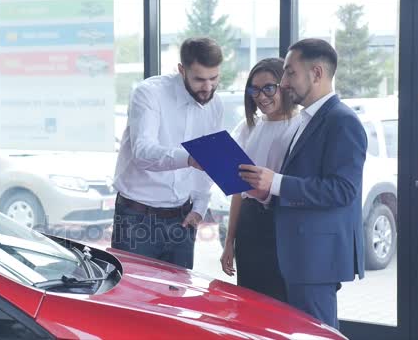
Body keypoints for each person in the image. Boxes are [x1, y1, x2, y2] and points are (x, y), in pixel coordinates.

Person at [238, 38, 366, 329]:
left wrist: (277, 183)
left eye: (290, 73)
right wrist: (267, 192)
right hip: (296, 254)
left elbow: (344, 190)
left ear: (317, 73)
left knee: (314, 333)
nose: (283, 82)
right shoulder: (309, 118)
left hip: (315, 260)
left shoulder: (342, 120)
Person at [111, 37, 224, 269]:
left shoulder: (215, 104)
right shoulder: (149, 94)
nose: (208, 87)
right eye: (200, 79)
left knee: (175, 300)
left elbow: (212, 160)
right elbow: (142, 152)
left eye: (214, 78)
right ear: (181, 70)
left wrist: (200, 207)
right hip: (137, 219)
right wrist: (190, 158)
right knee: (133, 300)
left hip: (183, 220)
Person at [219, 58, 299, 302]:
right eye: (255, 90)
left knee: (282, 303)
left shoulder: (300, 125)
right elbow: (238, 189)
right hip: (250, 225)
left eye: (268, 88)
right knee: (251, 301)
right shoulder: (248, 127)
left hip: (282, 225)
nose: (261, 96)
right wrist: (230, 241)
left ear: (284, 85)